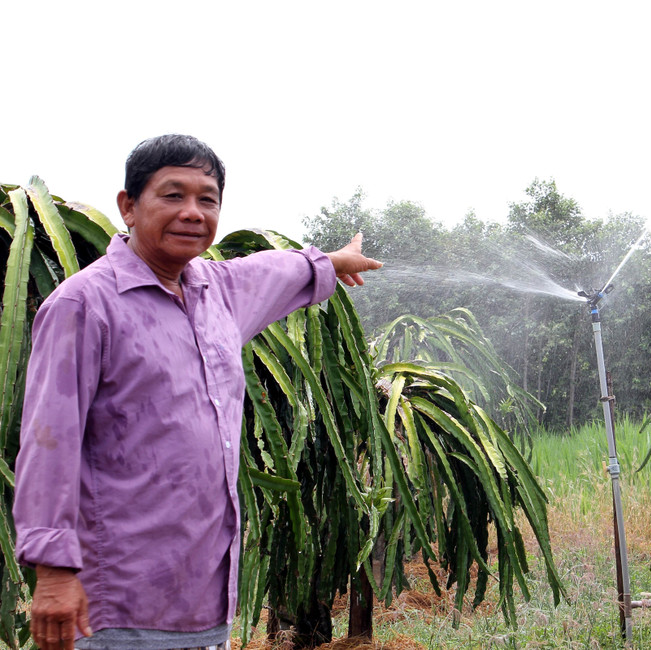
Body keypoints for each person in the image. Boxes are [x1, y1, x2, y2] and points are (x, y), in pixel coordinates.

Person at [12, 134, 382, 650]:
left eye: (207, 200)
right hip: (115, 607)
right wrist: (52, 570)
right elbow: (49, 440)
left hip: (205, 598)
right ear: (129, 206)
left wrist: (333, 261)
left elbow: (275, 269)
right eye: (172, 195)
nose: (192, 212)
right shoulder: (83, 306)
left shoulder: (218, 293)